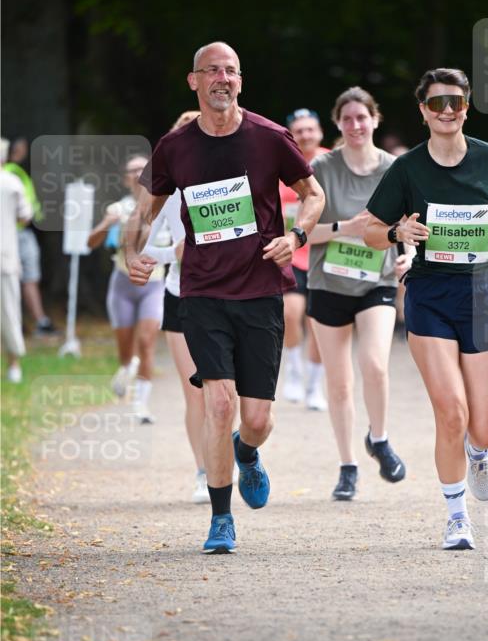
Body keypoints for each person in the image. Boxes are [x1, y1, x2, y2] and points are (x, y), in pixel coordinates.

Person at [125, 41, 325, 555]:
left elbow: (314, 195)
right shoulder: (175, 146)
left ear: (241, 80)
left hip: (260, 292)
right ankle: (220, 518)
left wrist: (297, 236)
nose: (222, 78)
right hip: (203, 293)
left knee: (256, 419)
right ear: (193, 81)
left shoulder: (269, 137)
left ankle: (247, 453)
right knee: (218, 403)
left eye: (231, 70)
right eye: (211, 70)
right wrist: (132, 253)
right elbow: (144, 209)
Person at [364, 67, 488, 550]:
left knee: (487, 427)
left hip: (484, 294)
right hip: (431, 295)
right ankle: (457, 518)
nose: (447, 110)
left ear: (466, 107)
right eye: (437, 103)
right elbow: (371, 230)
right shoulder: (408, 168)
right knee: (451, 413)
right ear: (423, 111)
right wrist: (396, 232)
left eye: (455, 102)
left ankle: (480, 453)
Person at [308, 87, 409, 502]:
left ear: (375, 120)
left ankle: (379, 439)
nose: (355, 125)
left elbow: (408, 222)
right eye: (347, 119)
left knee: (375, 364)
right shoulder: (320, 168)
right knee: (339, 384)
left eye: (361, 117)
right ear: (338, 123)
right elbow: (299, 232)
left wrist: (409, 254)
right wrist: (343, 228)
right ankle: (347, 466)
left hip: (376, 280)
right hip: (328, 283)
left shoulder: (394, 168)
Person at [143, 109, 210, 503]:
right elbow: (141, 242)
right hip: (179, 294)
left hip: (224, 295)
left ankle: (228, 455)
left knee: (226, 390)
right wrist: (174, 252)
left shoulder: (228, 183)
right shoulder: (165, 191)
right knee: (195, 392)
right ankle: (203, 472)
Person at [87, 155, 167, 423]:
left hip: (153, 284)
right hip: (122, 283)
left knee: (146, 342)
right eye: (132, 170)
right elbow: (90, 243)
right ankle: (126, 367)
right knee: (126, 351)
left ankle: (141, 405)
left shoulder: (165, 206)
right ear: (125, 179)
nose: (137, 174)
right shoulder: (118, 208)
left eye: (143, 169)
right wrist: (107, 224)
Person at [279, 108, 327, 410]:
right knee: (290, 313)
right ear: (292, 136)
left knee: (319, 324)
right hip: (293, 255)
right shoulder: (282, 163)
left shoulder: (332, 162)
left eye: (310, 129)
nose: (306, 135)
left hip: (325, 255)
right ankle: (294, 370)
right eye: (299, 130)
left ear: (319, 132)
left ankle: (314, 385)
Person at [4, 137, 57, 336]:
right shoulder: (12, 174)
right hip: (17, 232)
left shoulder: (16, 172)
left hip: (20, 232)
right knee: (25, 277)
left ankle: (25, 322)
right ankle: (29, 323)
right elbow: (24, 213)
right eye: (22, 147)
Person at [1, 138, 31, 382]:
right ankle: (14, 366)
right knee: (9, 312)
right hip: (6, 256)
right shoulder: (12, 182)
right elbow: (25, 216)